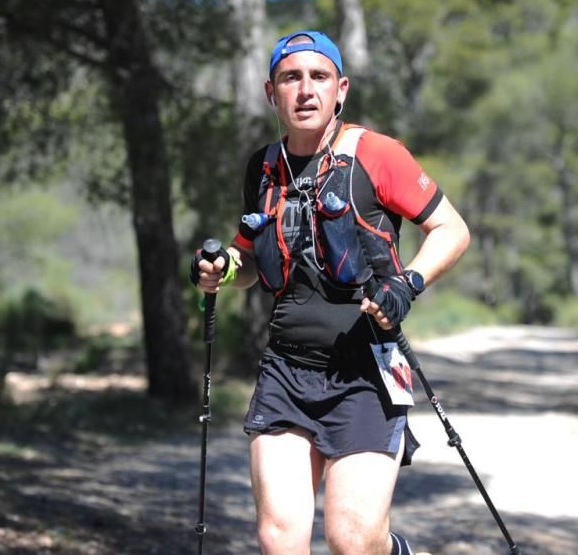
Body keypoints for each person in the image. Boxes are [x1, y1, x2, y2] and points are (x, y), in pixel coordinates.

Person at [191, 30, 470, 555]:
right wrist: (220, 269)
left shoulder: (377, 154)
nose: (305, 90)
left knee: (354, 539)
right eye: (290, 78)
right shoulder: (263, 166)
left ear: (340, 89)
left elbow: (453, 231)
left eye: (318, 77)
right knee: (279, 537)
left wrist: (406, 285)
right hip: (286, 368)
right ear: (271, 92)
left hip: (368, 368)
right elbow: (248, 257)